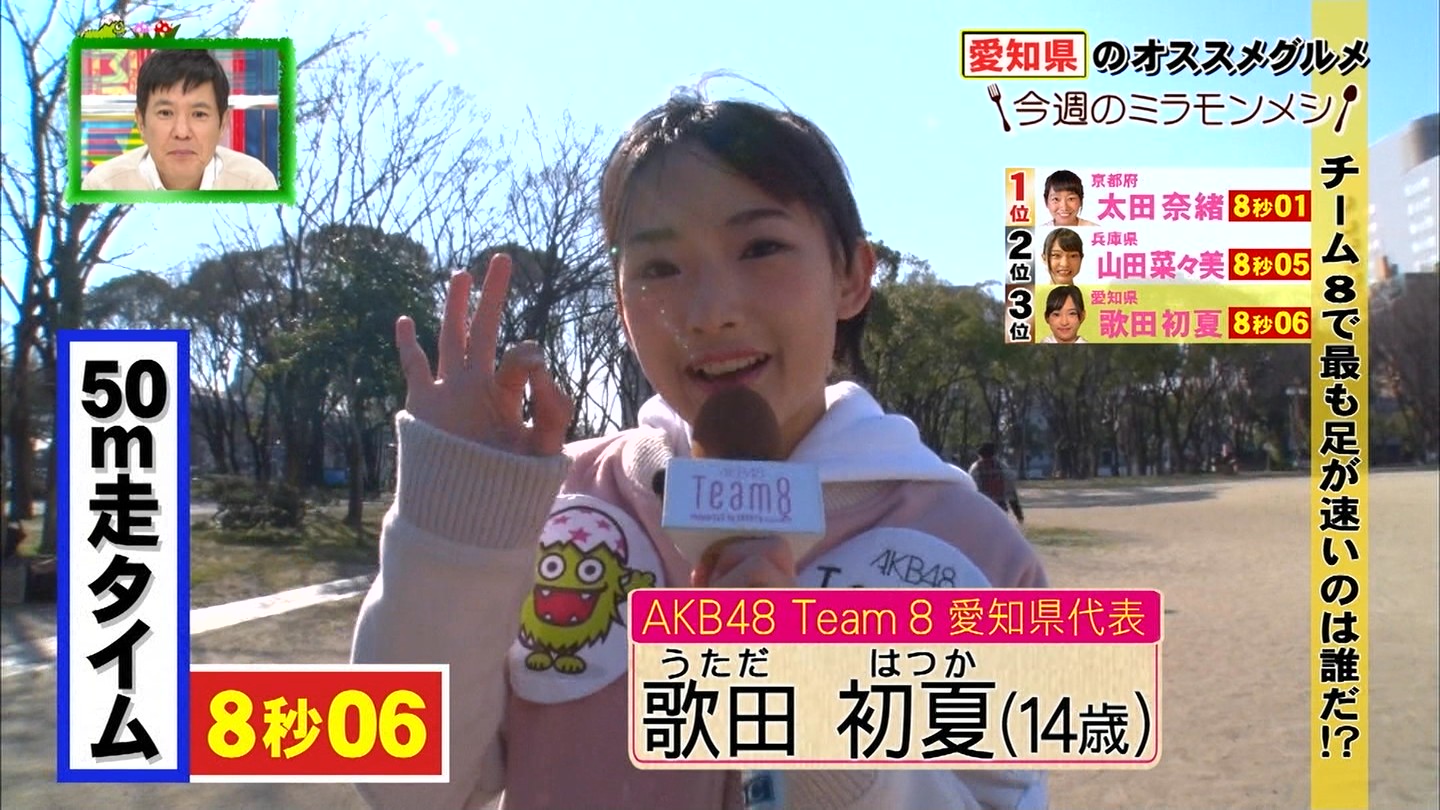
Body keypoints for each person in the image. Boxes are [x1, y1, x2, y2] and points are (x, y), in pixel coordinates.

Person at [350, 89, 1049, 810]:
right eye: (658, 268)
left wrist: (817, 717)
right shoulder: (555, 508)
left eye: (761, 248)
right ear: (621, 303)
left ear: (850, 277)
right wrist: (455, 527)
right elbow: (405, 787)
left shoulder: (971, 552)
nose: (710, 312)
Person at [81, 49, 278, 191]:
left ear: (223, 123)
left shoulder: (254, 183)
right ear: (141, 122)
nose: (182, 132)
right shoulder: (104, 185)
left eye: (199, 114)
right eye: (165, 113)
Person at [968, 443, 1024, 524]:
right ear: (994, 454)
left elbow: (971, 492)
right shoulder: (1002, 467)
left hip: (982, 509)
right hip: (1000, 509)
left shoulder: (974, 469)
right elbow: (1012, 494)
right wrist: (1019, 515)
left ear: (979, 454)